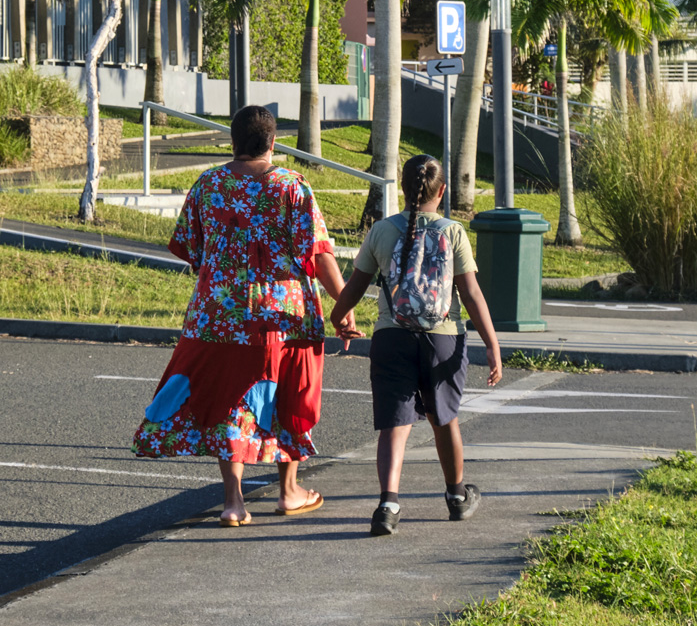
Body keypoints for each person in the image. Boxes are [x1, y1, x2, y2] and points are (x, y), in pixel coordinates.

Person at [133, 105, 347, 526]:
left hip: (215, 314)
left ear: (232, 142)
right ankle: (288, 492)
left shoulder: (209, 184)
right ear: (272, 143)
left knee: (230, 400)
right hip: (282, 316)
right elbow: (319, 257)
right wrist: (345, 308)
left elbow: (191, 252)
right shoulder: (292, 186)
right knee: (284, 392)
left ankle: (233, 502)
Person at [329, 154, 502, 537]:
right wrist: (492, 344)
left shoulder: (381, 231)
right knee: (444, 419)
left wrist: (338, 316)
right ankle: (457, 497)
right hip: (442, 338)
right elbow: (471, 293)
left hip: (392, 337)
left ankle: (387, 506)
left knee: (395, 424)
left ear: (404, 189)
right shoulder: (452, 231)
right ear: (441, 191)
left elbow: (355, 286)